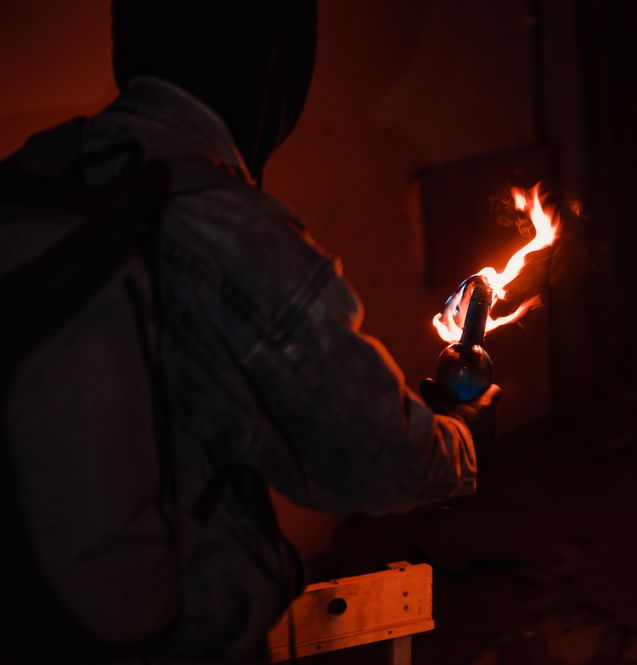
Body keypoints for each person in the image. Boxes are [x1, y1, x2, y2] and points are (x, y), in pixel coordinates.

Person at [2, 0, 500, 662]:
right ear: (274, 67)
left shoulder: (35, 175)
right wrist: (461, 435)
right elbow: (379, 453)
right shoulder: (226, 228)